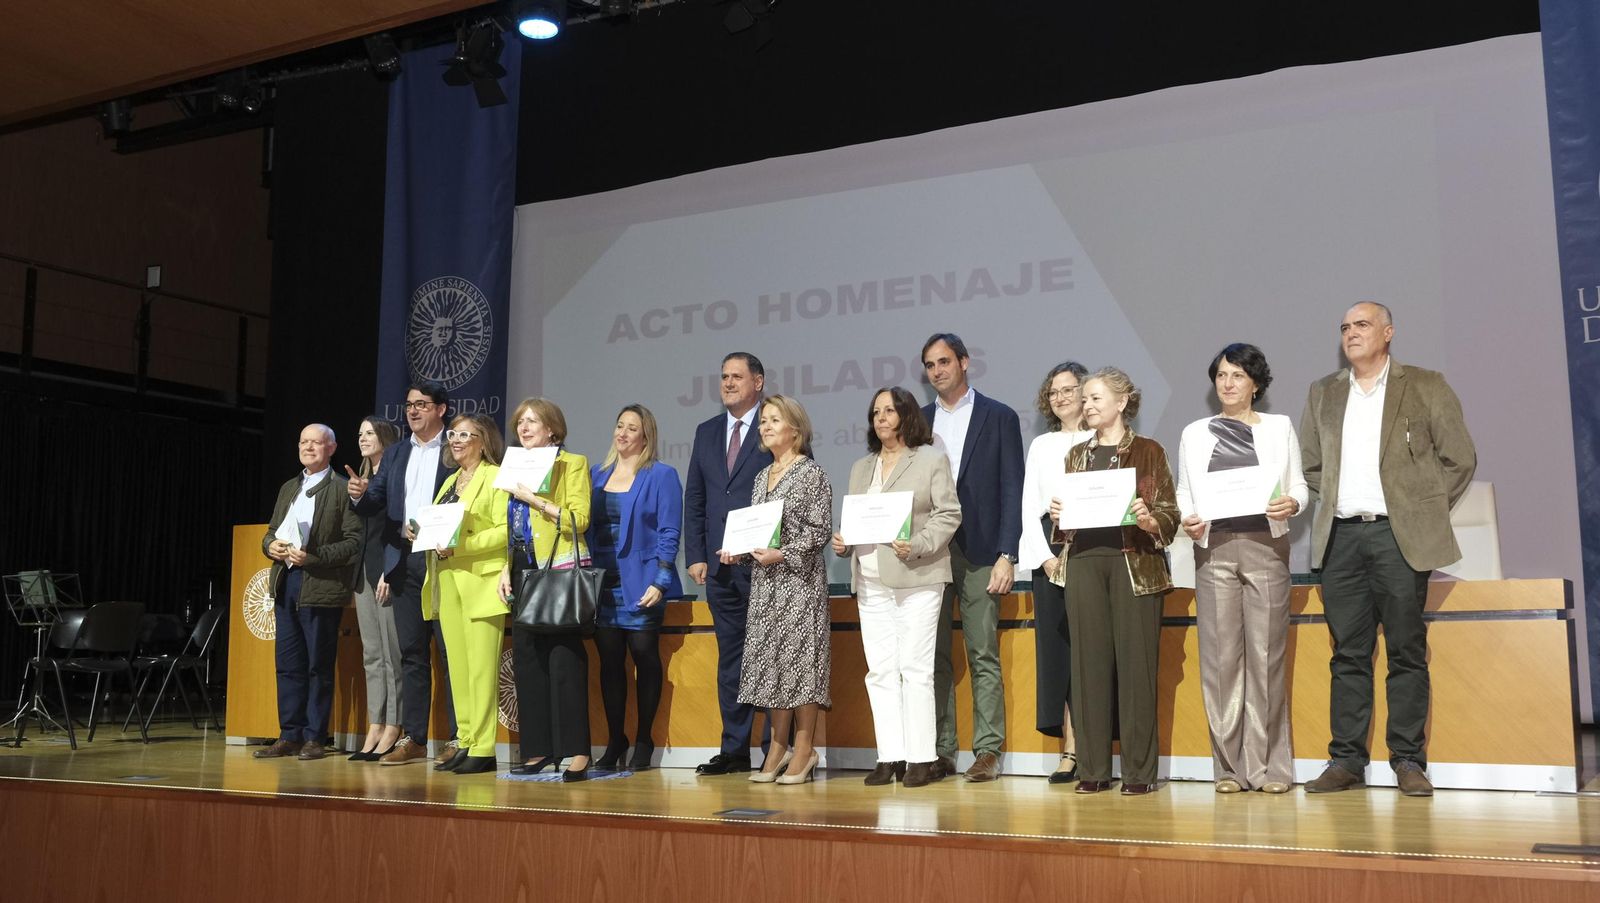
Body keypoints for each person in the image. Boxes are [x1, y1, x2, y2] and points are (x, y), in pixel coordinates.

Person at [1300, 302, 1476, 797]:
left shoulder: (1425, 384)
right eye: (1344, 328)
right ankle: (1346, 761)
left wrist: (1421, 511)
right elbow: (1312, 465)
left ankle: (1407, 760)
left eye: (1361, 325)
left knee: (1405, 652)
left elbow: (1459, 459)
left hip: (1398, 538)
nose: (1350, 333)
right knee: (1348, 655)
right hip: (1341, 539)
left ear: (1388, 332)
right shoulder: (1323, 393)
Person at [1176, 344, 1307, 794]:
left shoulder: (1279, 427)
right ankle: (1230, 769)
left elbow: (1299, 486)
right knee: (1220, 660)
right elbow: (1182, 491)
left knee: (1266, 658)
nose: (1227, 383)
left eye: (1237, 375)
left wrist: (1294, 502)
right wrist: (1186, 518)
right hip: (1213, 550)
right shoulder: (1195, 432)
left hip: (1265, 547)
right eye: (1221, 375)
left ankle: (1271, 768)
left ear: (1255, 383)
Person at [1048, 368, 1179, 796]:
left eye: (1096, 398)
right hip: (1084, 562)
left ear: (1122, 402)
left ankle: (1140, 774)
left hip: (1133, 565)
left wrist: (1149, 519)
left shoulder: (1148, 450)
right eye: (1084, 399)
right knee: (1088, 668)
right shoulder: (1075, 457)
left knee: (1136, 669)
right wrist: (1057, 517)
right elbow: (1065, 523)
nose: (1087, 406)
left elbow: (1170, 514)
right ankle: (1093, 769)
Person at [832, 387, 961, 788]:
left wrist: (919, 544)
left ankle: (921, 757)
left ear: (906, 415)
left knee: (916, 669)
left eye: (889, 410)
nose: (881, 417)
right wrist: (844, 542)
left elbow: (948, 514)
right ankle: (890, 756)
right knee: (881, 671)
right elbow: (858, 520)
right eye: (876, 412)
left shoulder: (930, 459)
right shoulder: (860, 467)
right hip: (870, 581)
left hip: (918, 577)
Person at [920, 333, 1023, 782]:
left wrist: (1008, 553)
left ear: (964, 362)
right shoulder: (917, 422)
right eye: (929, 365)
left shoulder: (999, 416)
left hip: (982, 551)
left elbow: (1011, 489)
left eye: (944, 361)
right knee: (934, 656)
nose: (937, 371)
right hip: (930, 554)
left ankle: (987, 751)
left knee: (982, 653)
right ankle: (943, 751)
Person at [347, 381, 459, 766]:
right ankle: (414, 738)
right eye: (409, 405)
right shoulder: (395, 454)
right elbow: (376, 501)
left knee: (449, 653)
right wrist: (360, 493)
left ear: (441, 409)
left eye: (421, 405)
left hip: (446, 559)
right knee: (412, 653)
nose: (413, 411)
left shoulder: (455, 448)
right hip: (405, 560)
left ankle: (459, 739)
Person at [723, 395, 833, 785]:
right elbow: (757, 531)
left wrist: (781, 554)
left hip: (799, 584)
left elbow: (819, 531)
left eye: (775, 420)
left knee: (801, 667)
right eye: (764, 420)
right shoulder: (759, 476)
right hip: (766, 587)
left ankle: (804, 750)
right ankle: (777, 746)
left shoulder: (810, 473)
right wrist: (738, 550)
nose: (766, 426)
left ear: (796, 430)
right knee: (772, 667)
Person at [683, 352, 774, 775]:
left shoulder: (775, 426)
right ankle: (735, 749)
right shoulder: (706, 432)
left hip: (764, 564)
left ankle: (777, 748)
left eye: (737, 376)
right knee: (731, 659)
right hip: (719, 568)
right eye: (723, 376)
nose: (728, 383)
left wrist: (763, 543)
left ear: (758, 381)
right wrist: (696, 555)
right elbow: (696, 498)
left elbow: (785, 492)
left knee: (771, 656)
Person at [498, 398, 593, 781]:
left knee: (563, 658)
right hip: (521, 566)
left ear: (552, 428)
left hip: (558, 566)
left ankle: (576, 751)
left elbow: (579, 520)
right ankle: (538, 749)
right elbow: (512, 526)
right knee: (526, 659)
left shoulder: (573, 463)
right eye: (520, 421)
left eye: (532, 421)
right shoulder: (514, 465)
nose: (524, 427)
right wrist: (505, 568)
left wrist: (534, 499)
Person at [256, 424, 362, 761]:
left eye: (316, 442)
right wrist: (271, 546)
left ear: (332, 448)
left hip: (320, 585)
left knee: (318, 664)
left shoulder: (342, 489)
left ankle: (315, 737)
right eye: (303, 442)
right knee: (288, 665)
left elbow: (353, 543)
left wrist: (314, 557)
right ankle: (290, 734)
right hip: (286, 583)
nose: (308, 447)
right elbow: (270, 532)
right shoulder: (289, 487)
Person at [587, 404, 683, 772]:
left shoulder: (661, 475)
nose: (623, 433)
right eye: (619, 426)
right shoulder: (597, 474)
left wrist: (661, 580)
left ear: (646, 436)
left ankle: (644, 738)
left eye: (632, 428)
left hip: (642, 582)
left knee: (644, 655)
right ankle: (616, 740)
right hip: (602, 583)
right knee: (610, 664)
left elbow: (669, 530)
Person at [421, 413, 510, 776]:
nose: (455, 440)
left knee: (481, 671)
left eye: (464, 435)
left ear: (483, 440)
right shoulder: (451, 482)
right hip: (449, 581)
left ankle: (485, 748)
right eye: (453, 434)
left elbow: (506, 530)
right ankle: (468, 740)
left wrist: (463, 545)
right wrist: (420, 534)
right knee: (458, 669)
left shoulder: (496, 477)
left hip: (483, 582)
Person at [1021, 361, 1093, 785]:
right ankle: (1069, 749)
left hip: (1095, 549)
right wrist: (1044, 558)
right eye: (1054, 392)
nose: (1061, 397)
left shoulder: (1106, 440)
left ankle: (1094, 745)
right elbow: (1030, 506)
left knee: (1094, 651)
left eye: (1069, 389)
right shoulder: (1043, 446)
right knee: (1058, 652)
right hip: (1050, 551)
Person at [348, 415, 405, 761]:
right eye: (360, 433)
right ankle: (375, 722)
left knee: (392, 653)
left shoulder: (395, 475)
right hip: (363, 574)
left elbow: (397, 526)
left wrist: (390, 569)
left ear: (385, 436)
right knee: (372, 655)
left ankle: (394, 724)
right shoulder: (360, 478)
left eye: (369, 432)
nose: (363, 438)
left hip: (387, 571)